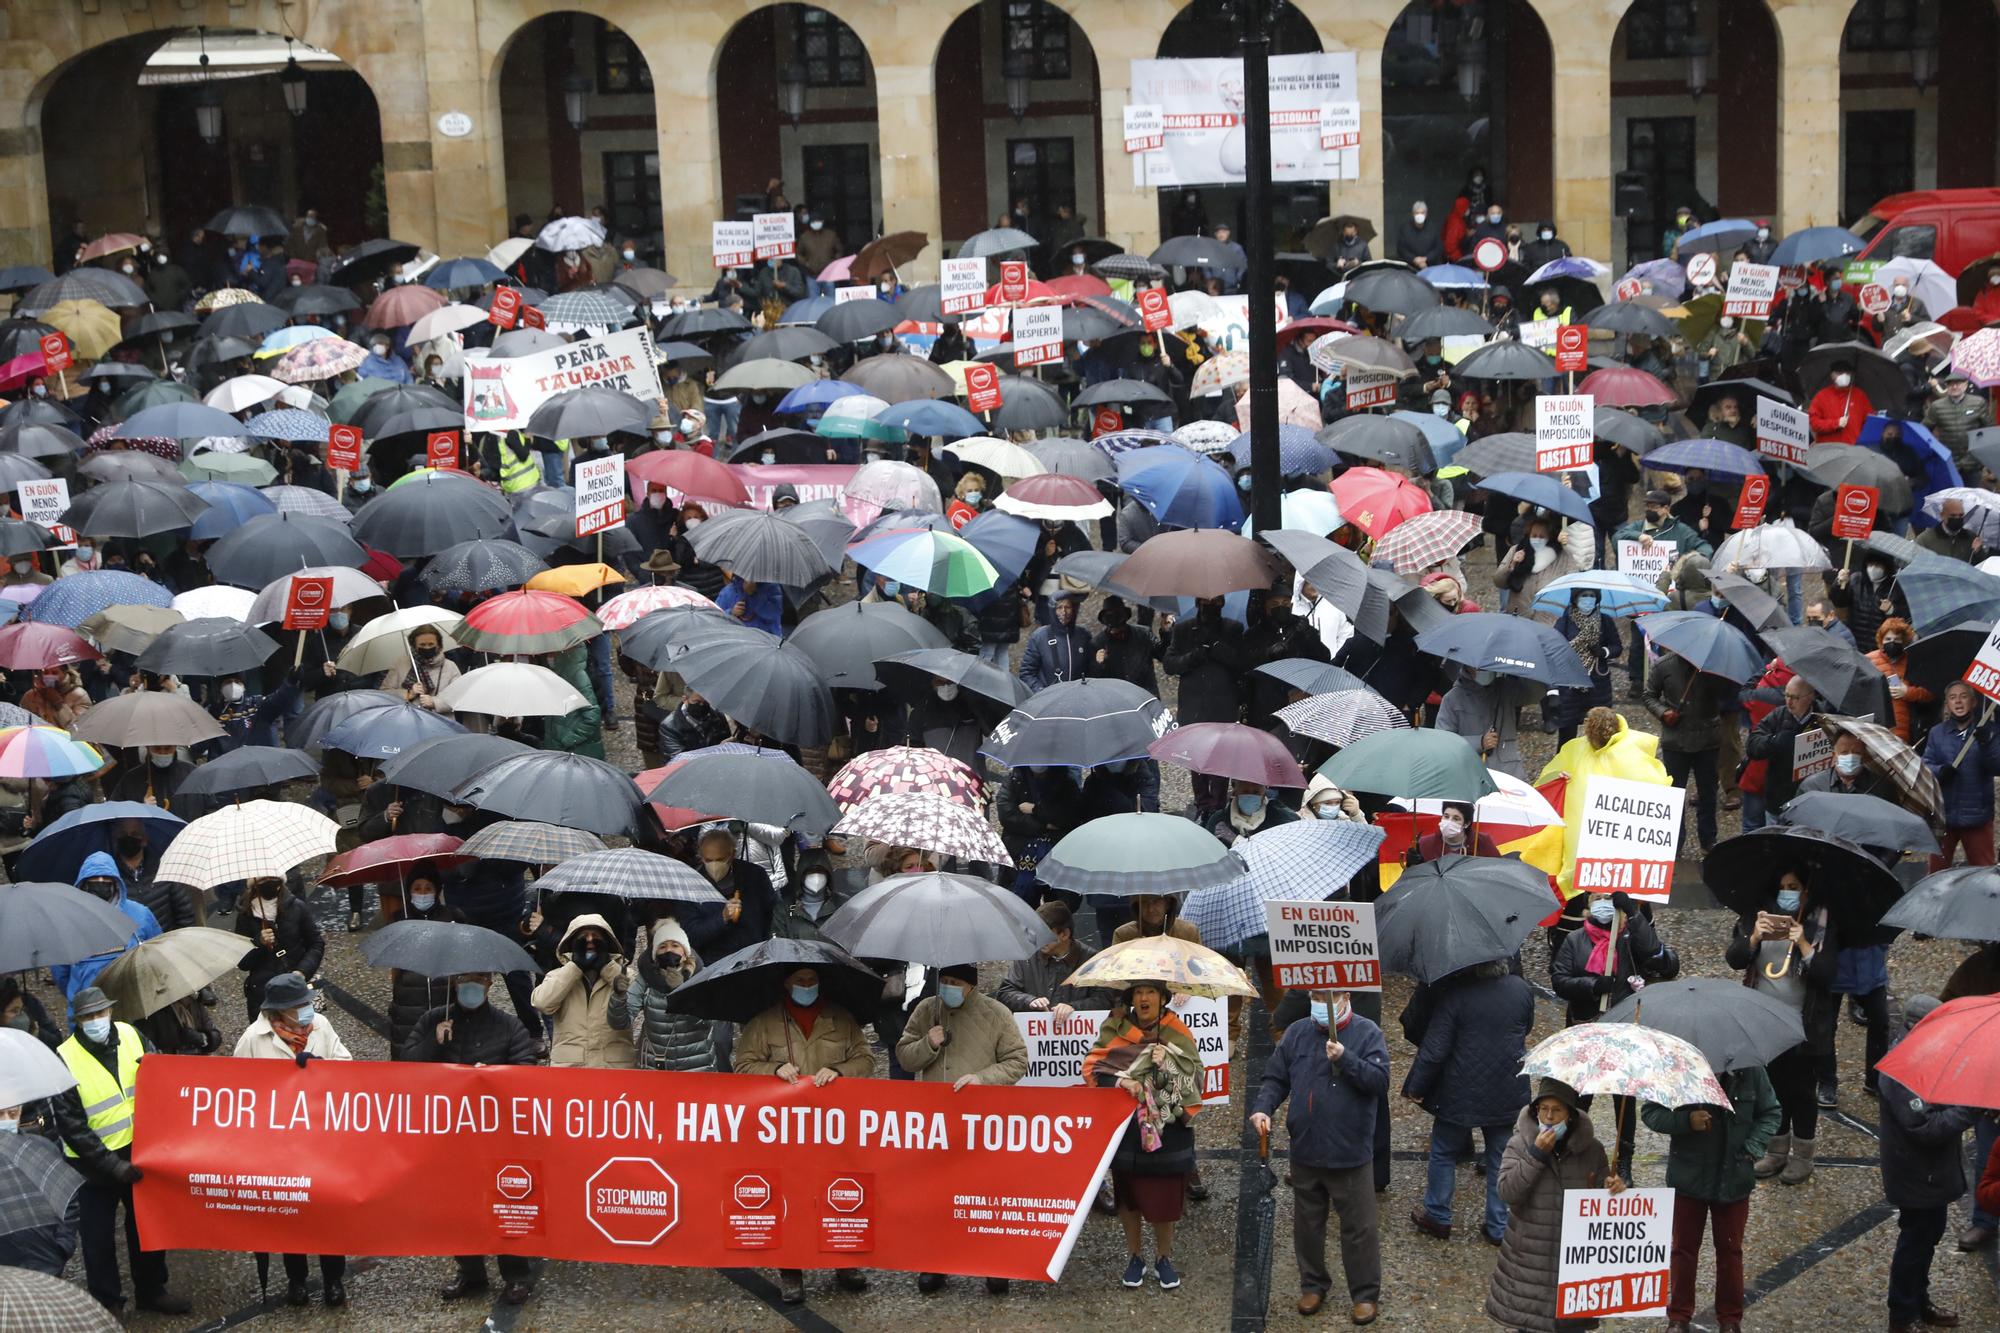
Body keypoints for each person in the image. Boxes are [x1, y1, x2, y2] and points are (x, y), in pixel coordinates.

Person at [734, 963, 875, 1304]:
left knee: (839, 1194)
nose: (807, 986)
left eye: (813, 980)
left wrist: (840, 1070)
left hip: (833, 1127)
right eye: (801, 980)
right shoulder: (765, 1022)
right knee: (792, 1197)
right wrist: (773, 1069)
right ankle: (791, 1270)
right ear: (787, 983)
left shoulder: (842, 1019)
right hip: (785, 1130)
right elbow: (742, 1065)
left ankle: (845, 1264)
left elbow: (866, 1061)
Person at [1250, 990, 1388, 1323]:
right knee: (1307, 1225)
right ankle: (1312, 1284)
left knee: (1359, 1228)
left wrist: (1346, 1059)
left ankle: (1365, 1293)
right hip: (1306, 1150)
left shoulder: (1368, 1032)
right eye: (1314, 994)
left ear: (1345, 996)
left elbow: (1379, 1081)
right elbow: (1275, 1077)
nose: (1319, 1001)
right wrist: (1262, 1108)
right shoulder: (1297, 1033)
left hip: (1350, 1152)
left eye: (1327, 995)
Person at [402, 972, 539, 1304]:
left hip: (498, 1138)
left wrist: (491, 1078)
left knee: (506, 1203)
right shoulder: (433, 1019)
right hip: (450, 1136)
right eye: (464, 978)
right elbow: (405, 1066)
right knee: (457, 1206)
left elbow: (526, 1072)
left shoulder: (509, 1026)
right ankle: (470, 1272)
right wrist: (433, 1042)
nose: (471, 985)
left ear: (490, 983)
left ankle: (516, 1276)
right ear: (453, 982)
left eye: (478, 979)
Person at [53, 986, 191, 1315]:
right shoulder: (65, 1057)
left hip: (139, 1154)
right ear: (78, 1021)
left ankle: (152, 1290)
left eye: (101, 1013)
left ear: (111, 1012)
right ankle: (107, 1304)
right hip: (91, 1169)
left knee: (146, 1229)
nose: (97, 1021)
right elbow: (73, 1127)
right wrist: (114, 1167)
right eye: (88, 1017)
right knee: (98, 1241)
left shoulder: (131, 1035)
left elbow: (160, 1075)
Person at [897, 962, 1028, 1294]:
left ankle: (993, 1264)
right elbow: (904, 1057)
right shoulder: (927, 1010)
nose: (948, 988)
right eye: (945, 981)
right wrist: (928, 1043)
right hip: (935, 1123)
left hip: (982, 1123)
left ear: (971, 985)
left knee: (986, 1196)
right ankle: (936, 1263)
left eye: (955, 982)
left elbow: (1017, 1061)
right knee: (936, 1197)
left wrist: (982, 1079)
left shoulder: (996, 1014)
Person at [233, 973, 352, 1307]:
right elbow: (237, 1091)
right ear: (280, 1011)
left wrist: (320, 1069)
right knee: (290, 1213)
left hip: (322, 1139)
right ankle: (296, 1281)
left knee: (328, 1212)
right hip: (279, 1147)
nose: (306, 1011)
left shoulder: (323, 1027)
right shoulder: (254, 1039)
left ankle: (334, 1280)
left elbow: (349, 1069)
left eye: (307, 1003)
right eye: (299, 1006)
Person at [1403, 957, 1535, 1245]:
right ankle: (1498, 1225)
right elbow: (1525, 1028)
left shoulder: (1456, 994)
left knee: (1443, 1151)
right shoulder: (1522, 990)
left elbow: (1435, 1049)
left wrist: (1417, 1086)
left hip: (1459, 1091)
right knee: (1500, 1157)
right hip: (1507, 1089)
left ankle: (1438, 1215)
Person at [1642, 1060, 1780, 1333]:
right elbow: (1651, 1113)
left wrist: (1753, 1147)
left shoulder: (1750, 1069)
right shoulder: (1677, 1068)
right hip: (1688, 1178)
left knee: (1731, 1251)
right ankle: (1679, 1316)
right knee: (1683, 1249)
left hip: (1734, 1178)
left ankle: (1730, 1319)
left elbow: (1771, 1113)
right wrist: (1686, 1121)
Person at [1082, 980, 1203, 1291]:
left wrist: (1170, 1065)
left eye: (1151, 992)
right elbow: (1094, 1068)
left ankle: (1164, 1258)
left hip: (1167, 1127)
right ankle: (1135, 1257)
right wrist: (1123, 1083)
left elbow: (1195, 1075)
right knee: (1128, 1195)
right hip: (1126, 1127)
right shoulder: (1115, 1027)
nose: (1144, 997)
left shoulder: (1177, 1031)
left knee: (1164, 1197)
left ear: (1163, 998)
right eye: (1138, 992)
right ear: (1131, 997)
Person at [1726, 867, 1839, 1185]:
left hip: (1805, 1025)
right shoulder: (1757, 915)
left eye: (1794, 886)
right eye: (1782, 887)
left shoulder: (1822, 921)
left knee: (1802, 1091)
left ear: (1806, 891)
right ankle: (1775, 1149)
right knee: (1772, 1088)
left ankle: (1803, 1154)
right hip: (1764, 1021)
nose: (1786, 892)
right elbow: (1735, 958)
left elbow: (1828, 974)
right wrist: (1754, 937)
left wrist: (1803, 942)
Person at [1485, 1078, 1625, 1333]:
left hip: (1572, 1268)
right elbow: (1507, 1192)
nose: (1548, 1117)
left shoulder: (1591, 1150)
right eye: (1543, 1109)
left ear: (1570, 1116)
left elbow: (1601, 1197)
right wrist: (1535, 1155)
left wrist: (1614, 1188)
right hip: (1528, 1267)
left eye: (1556, 1110)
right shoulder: (1519, 1144)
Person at [1878, 994, 1975, 1333]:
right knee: (1914, 1244)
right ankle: (1902, 1315)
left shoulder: (1928, 1053)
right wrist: (1969, 1109)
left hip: (1931, 1174)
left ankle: (1919, 1300)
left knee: (1926, 1240)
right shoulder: (1901, 1069)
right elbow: (1926, 1128)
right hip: (1915, 1175)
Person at [1646, 646, 1725, 853]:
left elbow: (1727, 698)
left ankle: (1708, 839)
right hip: (1676, 742)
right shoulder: (1663, 665)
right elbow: (1649, 696)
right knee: (1673, 794)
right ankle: (1674, 841)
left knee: (1708, 793)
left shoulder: (1714, 667)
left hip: (1708, 740)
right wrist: (1663, 713)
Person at [531, 913, 636, 1069]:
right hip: (571, 1069)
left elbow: (637, 999)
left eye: (595, 936)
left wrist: (607, 968)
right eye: (583, 936)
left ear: (607, 942)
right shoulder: (557, 975)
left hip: (614, 1068)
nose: (589, 941)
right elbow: (542, 1003)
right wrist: (575, 968)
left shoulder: (626, 975)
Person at [51, 853, 161, 1001]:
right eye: (95, 880)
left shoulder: (140, 915)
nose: (101, 883)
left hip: (134, 1004)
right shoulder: (68, 922)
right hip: (89, 1011)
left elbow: (158, 954)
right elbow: (61, 973)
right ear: (84, 883)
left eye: (106, 879)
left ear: (116, 882)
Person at [1924, 681, 2000, 871]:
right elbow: (1925, 766)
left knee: (1984, 874)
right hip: (1944, 815)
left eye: (1963, 696)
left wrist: (1988, 744)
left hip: (1977, 815)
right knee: (1936, 875)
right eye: (1952, 697)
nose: (1958, 702)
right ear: (1947, 704)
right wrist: (1940, 771)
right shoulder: (1937, 733)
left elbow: (1997, 766)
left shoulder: (1988, 731)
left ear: (1973, 702)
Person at [627, 918, 715, 1072]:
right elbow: (622, 1020)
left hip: (697, 1068)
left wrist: (681, 991)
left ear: (685, 951)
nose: (669, 951)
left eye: (675, 945)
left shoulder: (703, 975)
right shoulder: (645, 979)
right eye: (662, 946)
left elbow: (705, 1021)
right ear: (655, 953)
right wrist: (619, 997)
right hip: (654, 1067)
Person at [233, 875, 325, 1018]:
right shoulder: (245, 915)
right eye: (263, 881)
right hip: (262, 995)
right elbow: (243, 963)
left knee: (301, 1032)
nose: (269, 885)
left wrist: (302, 971)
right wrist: (259, 943)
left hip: (296, 989)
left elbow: (316, 943)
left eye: (273, 880)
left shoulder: (297, 907)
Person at [997, 901, 1113, 1012]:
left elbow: (1105, 999)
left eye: (1044, 933)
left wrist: (1074, 1007)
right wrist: (1030, 1001)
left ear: (1064, 934)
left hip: (1077, 1030)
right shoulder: (1027, 957)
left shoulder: (1092, 960)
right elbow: (1005, 992)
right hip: (1034, 1029)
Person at [1435, 665, 1541, 780]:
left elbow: (1534, 693)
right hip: (1468, 775)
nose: (1484, 670)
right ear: (1467, 666)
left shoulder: (1506, 689)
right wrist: (1479, 742)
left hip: (1508, 772)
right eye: (1479, 668)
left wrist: (1527, 669)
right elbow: (1443, 743)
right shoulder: (1452, 698)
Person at [1019, 591, 1091, 690]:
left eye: (1068, 607)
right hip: (1049, 698)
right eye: (1059, 608)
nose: (1064, 612)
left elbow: (1090, 670)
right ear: (1052, 610)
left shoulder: (1083, 636)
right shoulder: (1040, 636)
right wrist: (1041, 693)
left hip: (1077, 697)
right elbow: (1027, 673)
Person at [1922, 372, 1993, 470]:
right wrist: (1935, 449)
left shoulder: (1978, 402)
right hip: (1949, 461)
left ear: (1965, 385)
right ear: (1947, 386)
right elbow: (1923, 430)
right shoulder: (1937, 406)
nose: (1954, 387)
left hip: (1973, 461)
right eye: (1950, 384)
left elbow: (1988, 429)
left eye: (1958, 383)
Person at [380, 626, 460, 712]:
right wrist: (408, 694)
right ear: (414, 646)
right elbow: (385, 693)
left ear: (438, 645)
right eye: (422, 644)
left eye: (431, 644)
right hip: (408, 719)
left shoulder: (450, 666)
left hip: (440, 722)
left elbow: (459, 697)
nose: (427, 648)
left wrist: (435, 703)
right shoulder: (401, 664)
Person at [1808, 361, 1872, 444]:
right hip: (1828, 450)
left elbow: (1869, 421)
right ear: (1832, 375)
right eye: (1840, 372)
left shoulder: (1860, 395)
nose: (1844, 376)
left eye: (1847, 373)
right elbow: (1814, 423)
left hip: (1853, 450)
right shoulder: (1821, 396)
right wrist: (1835, 423)